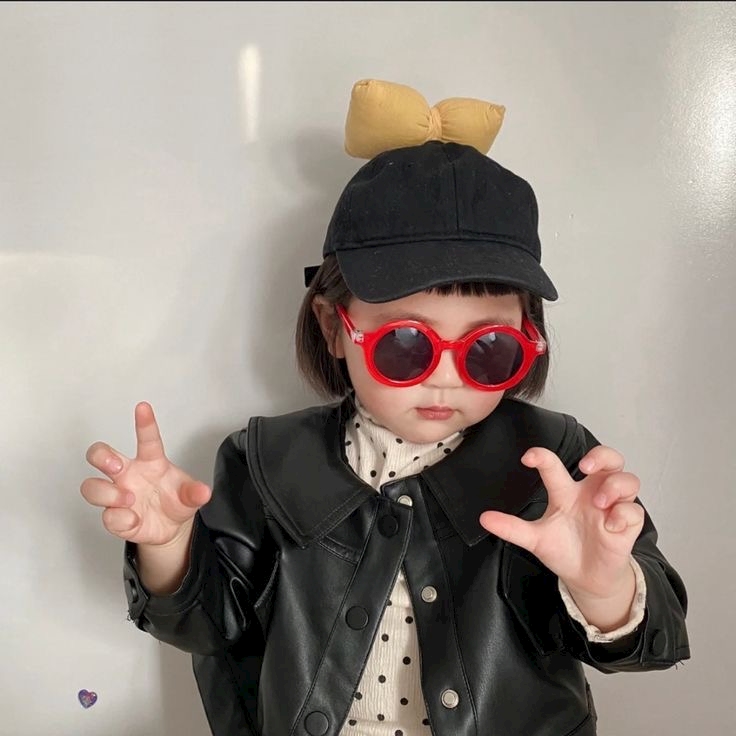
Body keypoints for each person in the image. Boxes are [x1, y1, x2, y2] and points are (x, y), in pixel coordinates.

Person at [81, 82, 689, 736]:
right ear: (333, 327)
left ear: (529, 336)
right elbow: (208, 627)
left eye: (488, 349)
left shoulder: (555, 465)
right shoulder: (265, 463)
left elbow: (652, 640)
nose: (447, 379)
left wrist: (604, 587)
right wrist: (169, 547)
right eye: (406, 345)